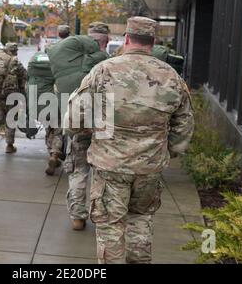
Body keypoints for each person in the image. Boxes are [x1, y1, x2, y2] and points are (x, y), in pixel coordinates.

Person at [66, 16, 194, 264]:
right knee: (141, 219)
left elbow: (74, 119)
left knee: (110, 227)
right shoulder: (171, 76)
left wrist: (92, 131)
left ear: (126, 38)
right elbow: (184, 125)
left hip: (110, 166)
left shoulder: (103, 70)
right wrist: (167, 150)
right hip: (149, 167)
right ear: (153, 41)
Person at [48, 22, 110, 230]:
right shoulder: (109, 63)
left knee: (78, 170)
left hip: (78, 125)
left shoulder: (70, 62)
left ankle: (77, 216)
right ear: (105, 41)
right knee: (104, 173)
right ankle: (101, 212)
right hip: (103, 127)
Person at [0, 42, 27, 159]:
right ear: (13, 51)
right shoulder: (14, 62)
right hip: (10, 95)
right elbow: (24, 75)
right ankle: (9, 145)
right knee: (10, 120)